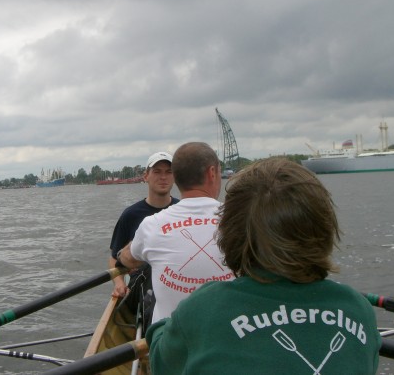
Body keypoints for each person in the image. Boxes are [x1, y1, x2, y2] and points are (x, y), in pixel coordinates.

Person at [145, 158, 381, 374]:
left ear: (231, 233)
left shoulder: (203, 307)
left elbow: (162, 364)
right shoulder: (358, 310)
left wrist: (158, 328)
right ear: (324, 228)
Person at [116, 142, 233, 324]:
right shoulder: (242, 219)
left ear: (175, 177)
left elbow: (127, 259)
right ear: (212, 173)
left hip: (169, 344)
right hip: (227, 330)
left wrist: (123, 256)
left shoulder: (151, 225)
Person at [108, 152, 179, 303]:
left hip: (176, 283)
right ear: (146, 176)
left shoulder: (182, 210)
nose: (163, 177)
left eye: (169, 172)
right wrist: (120, 283)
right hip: (142, 286)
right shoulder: (130, 215)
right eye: (157, 172)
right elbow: (114, 259)